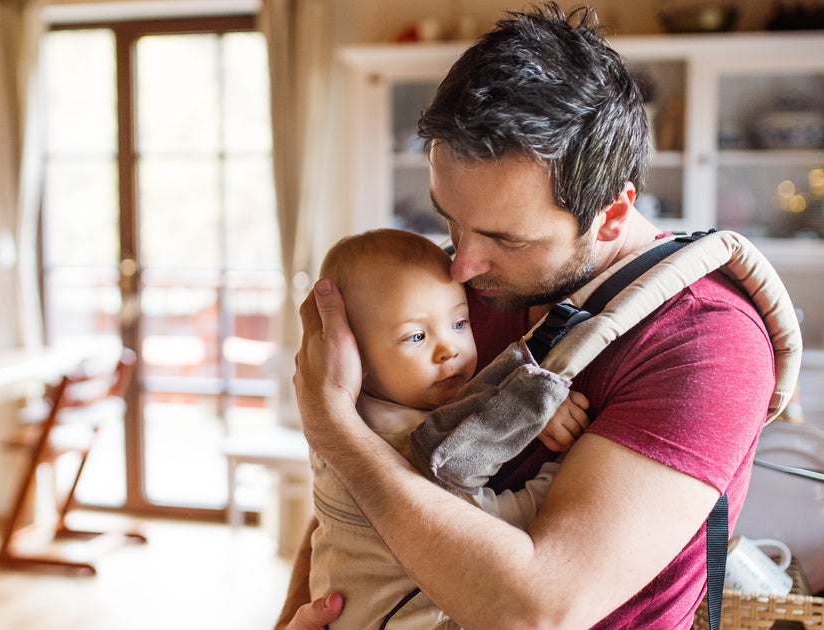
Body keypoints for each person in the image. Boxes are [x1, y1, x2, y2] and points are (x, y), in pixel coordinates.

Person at [281, 4, 784, 628]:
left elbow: (537, 610)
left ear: (612, 215)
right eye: (449, 218)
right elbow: (363, 495)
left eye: (504, 238)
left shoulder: (708, 344)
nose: (460, 264)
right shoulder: (456, 294)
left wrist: (334, 431)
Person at [308, 228, 591, 629]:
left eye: (459, 323)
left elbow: (468, 410)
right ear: (354, 356)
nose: (449, 349)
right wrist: (564, 469)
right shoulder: (402, 446)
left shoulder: (357, 409)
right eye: (417, 336)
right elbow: (486, 527)